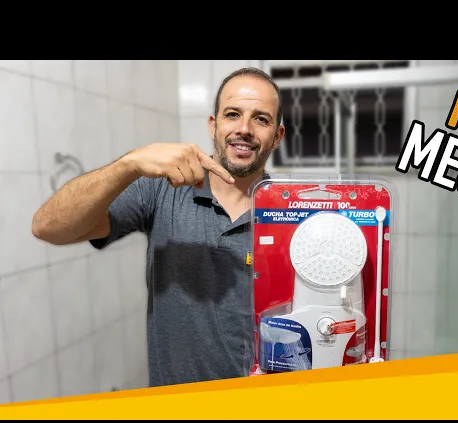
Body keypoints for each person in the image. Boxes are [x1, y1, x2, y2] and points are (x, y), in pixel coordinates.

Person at [32, 67, 286, 388]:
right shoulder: (162, 189)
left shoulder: (289, 214)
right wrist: (129, 164)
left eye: (261, 119)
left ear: (277, 136)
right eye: (232, 114)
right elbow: (47, 227)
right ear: (214, 125)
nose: (244, 129)